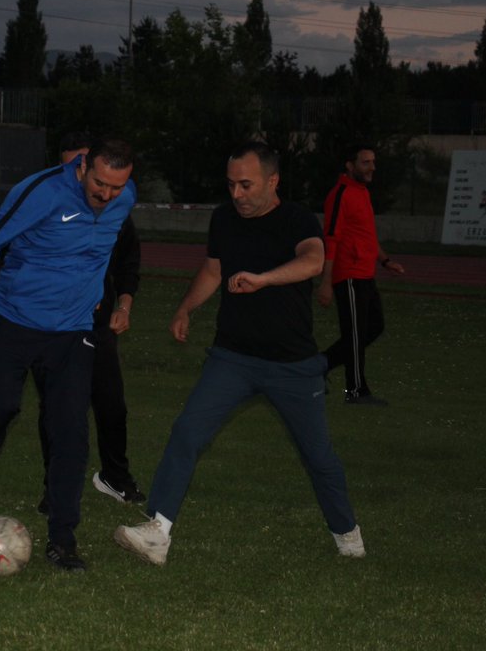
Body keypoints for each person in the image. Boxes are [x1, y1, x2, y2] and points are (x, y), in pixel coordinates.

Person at [114, 141, 365, 567]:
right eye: (231, 185)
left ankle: (347, 533)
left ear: (272, 181)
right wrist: (186, 308)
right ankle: (158, 531)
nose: (237, 194)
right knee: (187, 432)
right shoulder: (225, 218)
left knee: (318, 456)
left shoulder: (296, 219)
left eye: (246, 185)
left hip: (293, 365)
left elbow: (313, 261)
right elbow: (214, 269)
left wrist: (264, 279)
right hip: (233, 357)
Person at [0, 138, 138, 572]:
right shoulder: (41, 192)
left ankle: (62, 540)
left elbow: (103, 249)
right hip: (13, 320)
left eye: (117, 187)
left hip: (73, 332)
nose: (107, 195)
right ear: (82, 165)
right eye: (100, 184)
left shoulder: (123, 197)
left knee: (70, 435)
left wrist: (95, 293)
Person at [35, 132, 145, 516]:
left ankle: (115, 475)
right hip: (49, 325)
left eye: (84, 164)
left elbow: (129, 262)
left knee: (111, 404)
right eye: (72, 166)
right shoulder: (47, 203)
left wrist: (124, 306)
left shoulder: (114, 210)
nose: (82, 175)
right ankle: (55, 487)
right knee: (57, 410)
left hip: (96, 325)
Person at [316, 145, 405, 406]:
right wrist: (326, 282)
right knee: (354, 334)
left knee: (374, 327)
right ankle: (355, 392)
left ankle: (318, 366)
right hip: (349, 274)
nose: (372, 167)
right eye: (365, 162)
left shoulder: (362, 193)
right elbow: (331, 238)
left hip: (366, 273)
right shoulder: (340, 194)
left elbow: (366, 235)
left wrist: (385, 260)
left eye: (373, 162)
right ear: (349, 165)